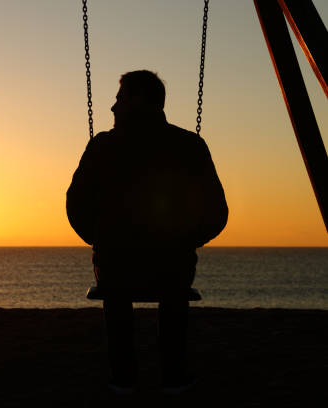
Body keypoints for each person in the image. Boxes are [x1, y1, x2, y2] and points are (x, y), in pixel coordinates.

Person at [66, 70, 228, 394]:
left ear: (138, 100)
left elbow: (75, 205)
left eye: (119, 99)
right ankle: (174, 378)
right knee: (174, 282)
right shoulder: (188, 145)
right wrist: (185, 240)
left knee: (115, 280)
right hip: (172, 265)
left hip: (116, 264)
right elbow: (217, 213)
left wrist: (99, 239)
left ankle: (122, 379)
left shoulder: (103, 146)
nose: (112, 108)